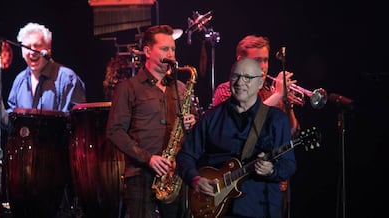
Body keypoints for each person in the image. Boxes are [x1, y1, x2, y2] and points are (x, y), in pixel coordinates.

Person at [176, 57, 297, 218]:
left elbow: (289, 164)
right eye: (235, 76)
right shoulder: (211, 118)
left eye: (247, 77)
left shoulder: (275, 119)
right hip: (214, 208)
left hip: (258, 208)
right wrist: (195, 179)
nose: (240, 82)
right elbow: (185, 156)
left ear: (260, 83)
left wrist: (271, 170)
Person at [105, 24, 197, 218]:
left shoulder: (181, 88)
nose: (171, 54)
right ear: (147, 51)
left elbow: (195, 131)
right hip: (141, 176)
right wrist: (148, 158)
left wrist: (192, 123)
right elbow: (114, 131)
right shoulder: (128, 88)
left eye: (173, 49)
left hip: (175, 174)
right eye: (165, 49)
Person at [1, 22, 86, 217]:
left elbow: (73, 123)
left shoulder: (67, 78)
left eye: (37, 46)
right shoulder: (19, 81)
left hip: (58, 168)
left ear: (48, 49)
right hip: (25, 172)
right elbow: (13, 125)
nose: (32, 52)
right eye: (27, 47)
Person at [212, 35, 300, 217]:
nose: (263, 66)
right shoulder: (226, 90)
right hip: (240, 188)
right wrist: (277, 96)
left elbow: (292, 133)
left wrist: (287, 104)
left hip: (272, 186)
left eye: (266, 60)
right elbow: (242, 126)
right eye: (257, 60)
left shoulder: (271, 92)